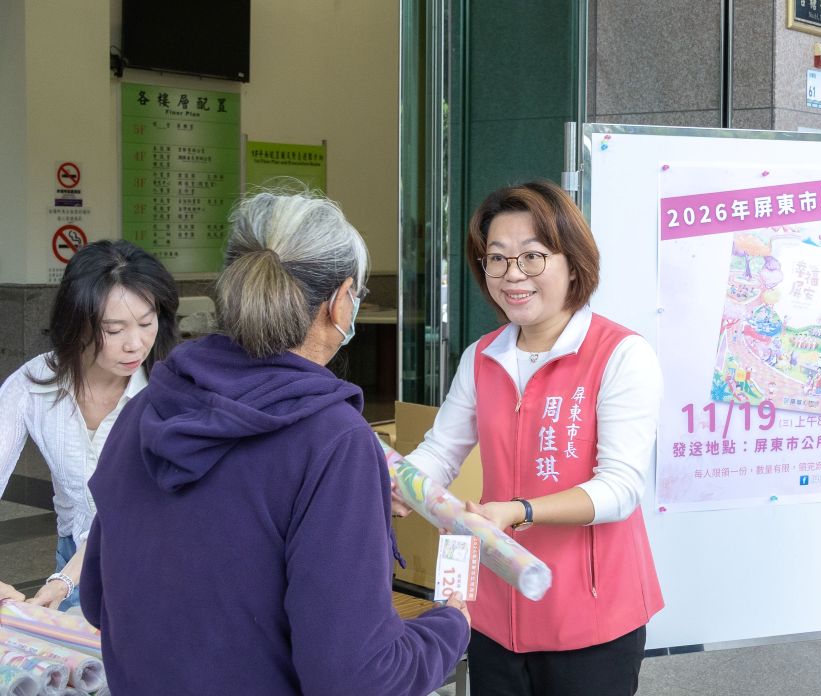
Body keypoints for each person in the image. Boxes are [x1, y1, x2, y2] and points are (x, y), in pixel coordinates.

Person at [79, 188, 470, 696]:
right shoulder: (333, 441)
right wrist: (448, 627)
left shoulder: (143, 410)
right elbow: (357, 678)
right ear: (340, 301)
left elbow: (97, 600)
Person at [399, 180, 664, 696]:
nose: (512, 274)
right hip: (496, 609)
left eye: (533, 256)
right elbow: (441, 450)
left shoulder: (621, 354)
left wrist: (519, 511)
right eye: (496, 259)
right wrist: (397, 485)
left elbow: (620, 488)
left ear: (574, 263)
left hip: (590, 613)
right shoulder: (482, 356)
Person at [0, 240, 178, 610]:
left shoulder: (172, 391)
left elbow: (144, 508)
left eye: (147, 323)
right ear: (76, 322)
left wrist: (67, 578)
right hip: (72, 561)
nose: (135, 344)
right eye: (114, 330)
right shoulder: (33, 385)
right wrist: (66, 578)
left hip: (157, 561)